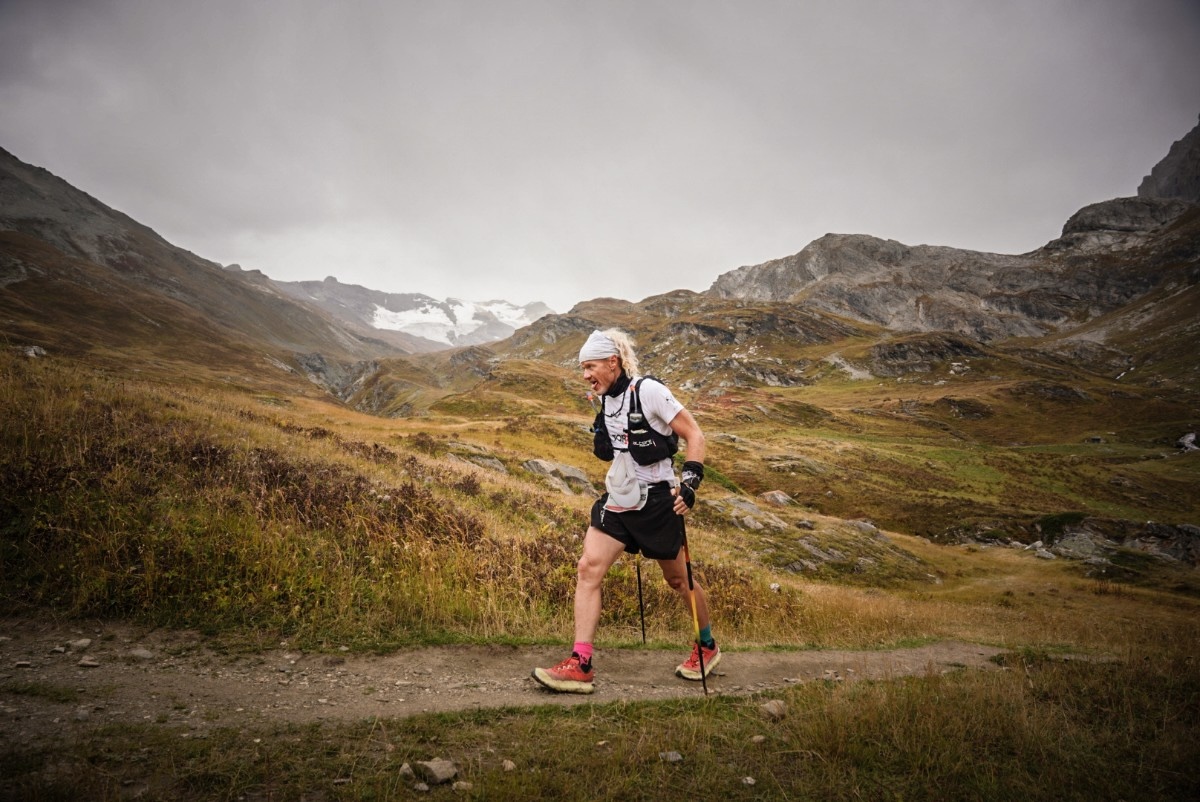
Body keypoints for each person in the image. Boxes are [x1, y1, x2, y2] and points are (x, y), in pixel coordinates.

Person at [532, 329, 719, 694]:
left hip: (658, 502)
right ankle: (580, 663)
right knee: (588, 568)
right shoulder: (604, 399)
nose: (586, 375)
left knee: (679, 581)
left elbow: (695, 435)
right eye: (583, 368)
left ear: (613, 362)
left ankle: (707, 645)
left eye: (591, 366)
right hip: (618, 499)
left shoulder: (648, 391)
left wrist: (691, 484)